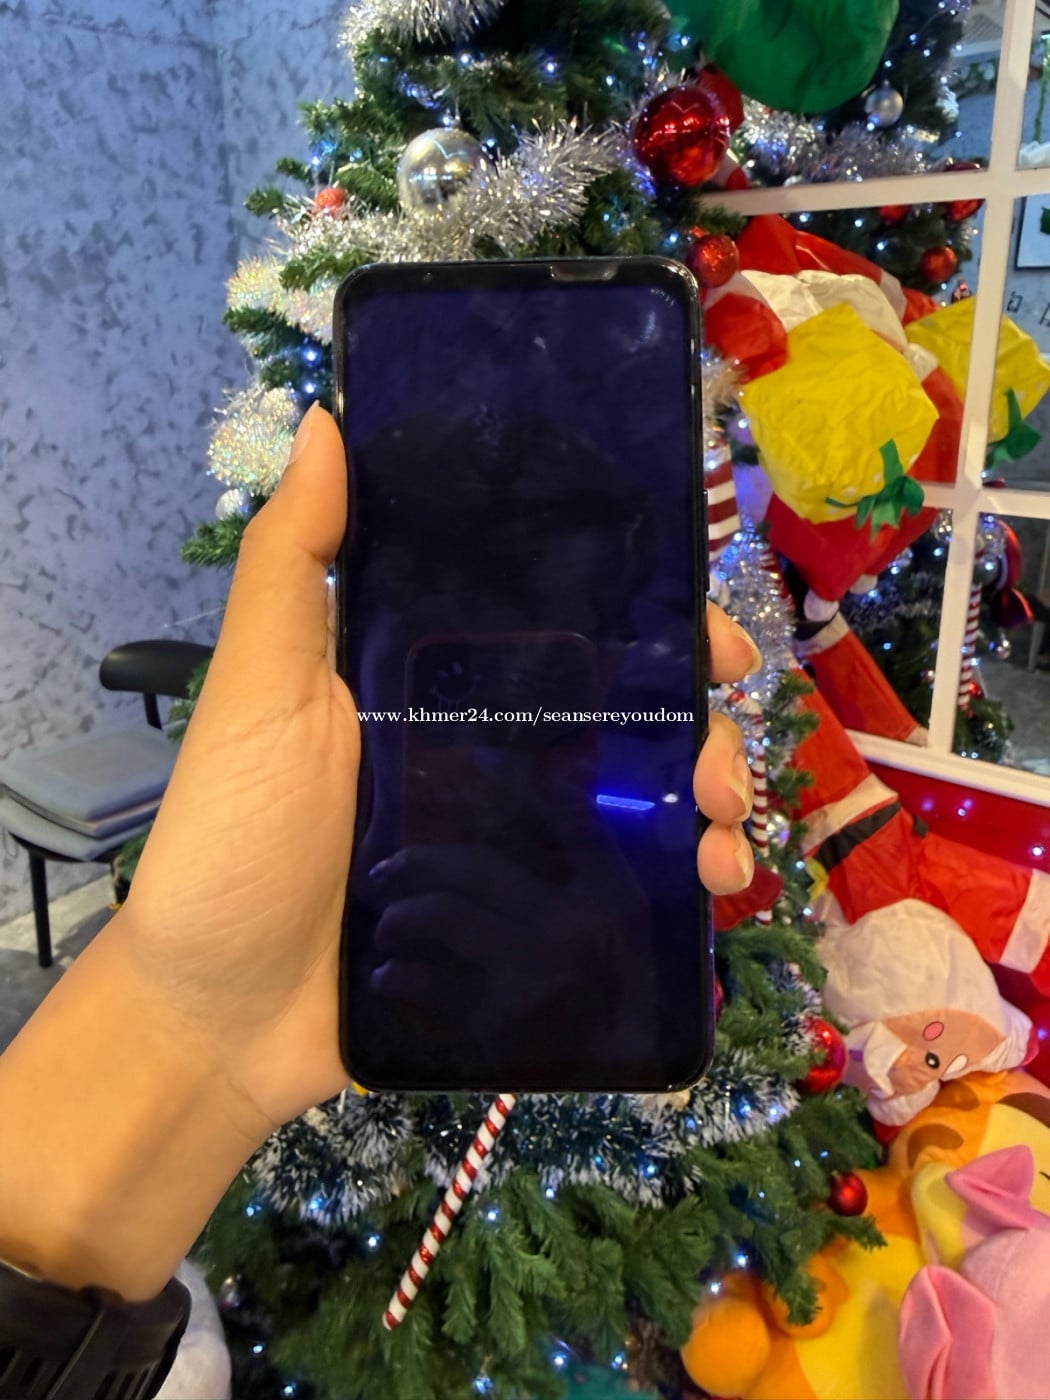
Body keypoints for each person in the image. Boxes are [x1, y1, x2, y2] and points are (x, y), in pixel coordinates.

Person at [0, 404, 760, 1397]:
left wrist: (192, 1034)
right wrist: (190, 1024)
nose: (493, 740)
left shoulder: (614, 877)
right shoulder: (326, 833)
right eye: (448, 677)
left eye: (546, 674)